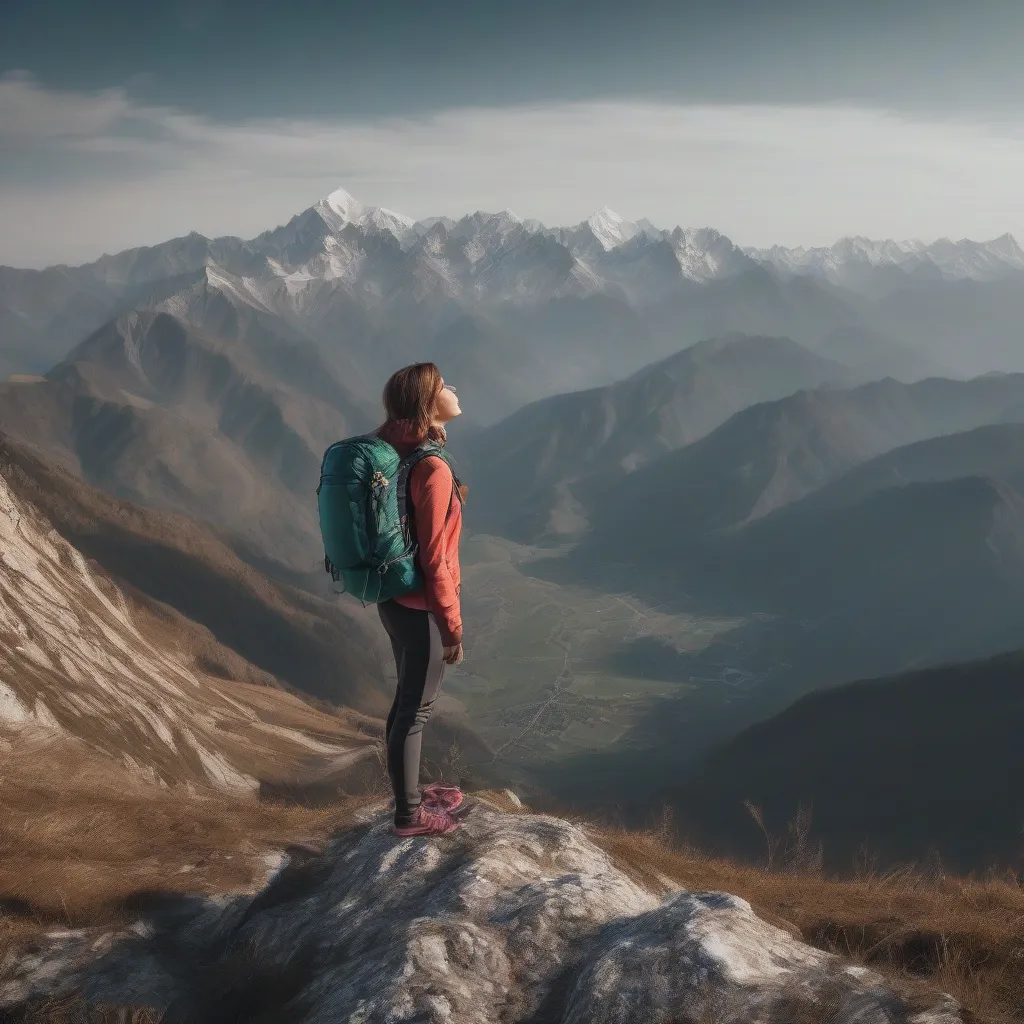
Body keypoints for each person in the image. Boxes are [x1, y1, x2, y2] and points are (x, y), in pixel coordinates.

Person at [376, 362, 468, 837]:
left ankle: (409, 793)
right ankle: (410, 815)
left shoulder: (399, 453)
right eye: (444, 385)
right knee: (415, 712)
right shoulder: (430, 467)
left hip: (394, 599)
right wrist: (451, 626)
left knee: (405, 703)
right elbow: (434, 557)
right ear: (429, 406)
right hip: (420, 608)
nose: (453, 389)